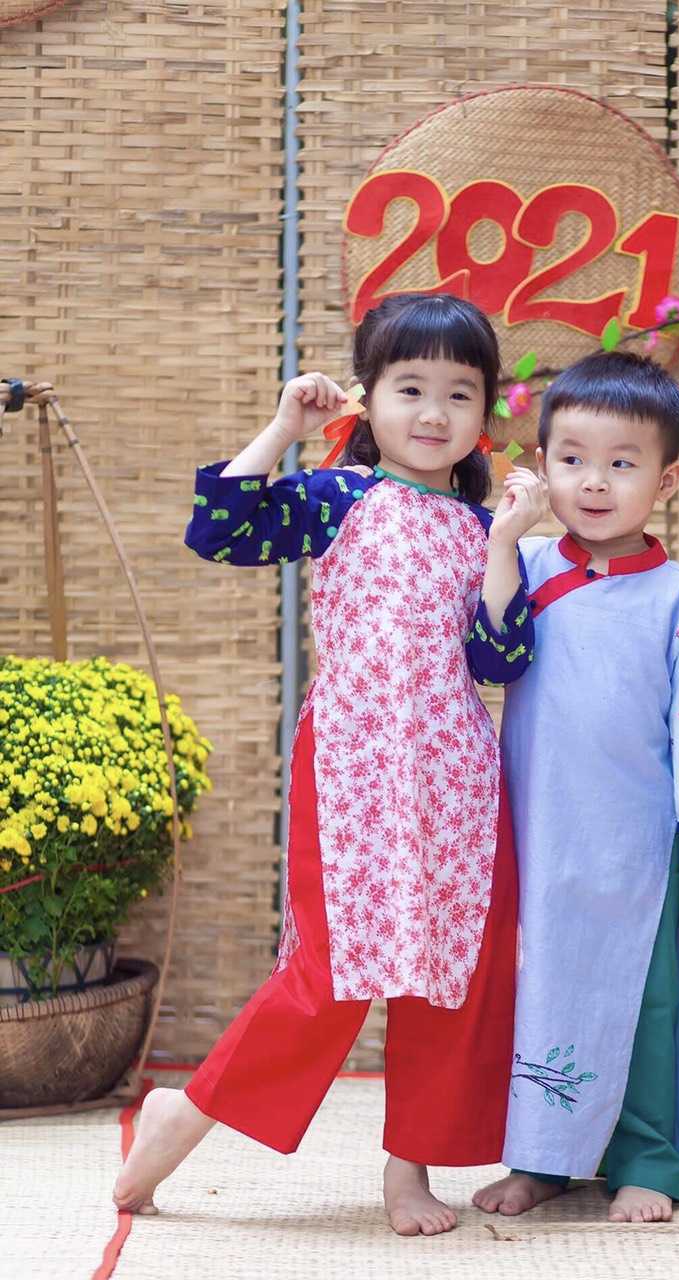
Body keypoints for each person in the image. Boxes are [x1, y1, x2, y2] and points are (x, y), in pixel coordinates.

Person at [113, 293, 545, 1236]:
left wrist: (508, 545)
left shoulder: (483, 529)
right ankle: (185, 1115)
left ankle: (407, 1175)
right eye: (410, 388)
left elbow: (499, 663)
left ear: (487, 413)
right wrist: (283, 427)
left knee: (447, 979)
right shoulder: (338, 498)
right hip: (352, 770)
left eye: (458, 394)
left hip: (457, 786)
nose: (433, 414)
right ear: (370, 399)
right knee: (330, 972)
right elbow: (219, 528)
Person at [473, 350, 679, 1225]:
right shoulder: (524, 568)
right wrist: (500, 539)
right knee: (542, 997)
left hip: (640, 846)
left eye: (621, 462)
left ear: (666, 479)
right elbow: (487, 655)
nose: (593, 483)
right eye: (570, 459)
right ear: (540, 464)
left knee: (643, 1005)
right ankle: (543, 1158)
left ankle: (647, 1157)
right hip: (537, 837)